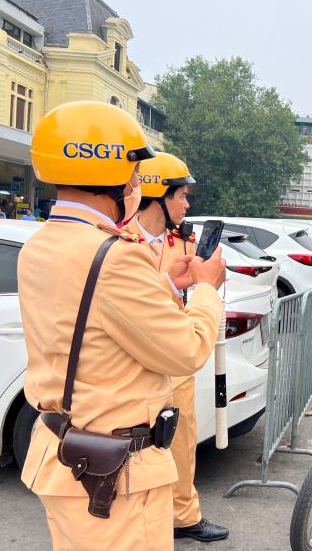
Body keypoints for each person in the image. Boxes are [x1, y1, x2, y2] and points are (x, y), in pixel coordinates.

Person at [18, 101, 226, 551]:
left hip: (64, 452)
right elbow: (185, 350)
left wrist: (166, 283)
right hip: (114, 473)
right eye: (134, 174)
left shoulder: (39, 246)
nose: (136, 185)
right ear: (109, 171)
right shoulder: (114, 254)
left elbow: (93, 321)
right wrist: (207, 290)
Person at [126, 152, 228, 542]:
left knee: (182, 444)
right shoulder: (122, 244)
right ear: (158, 195)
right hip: (143, 364)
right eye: (181, 196)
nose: (187, 205)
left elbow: (162, 295)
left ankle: (184, 516)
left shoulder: (179, 241)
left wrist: (181, 283)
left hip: (176, 361)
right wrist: (203, 290)